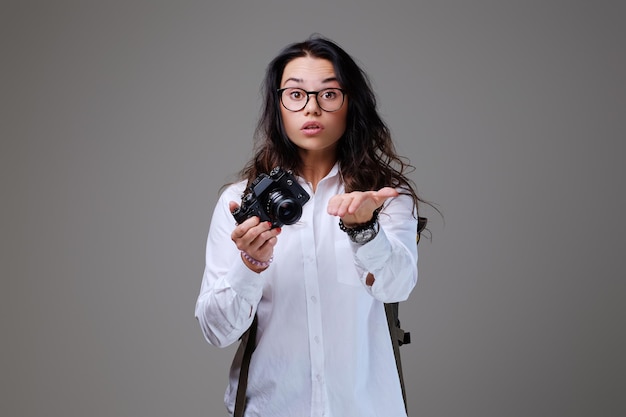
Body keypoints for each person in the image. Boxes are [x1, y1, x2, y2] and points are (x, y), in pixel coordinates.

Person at [195, 35, 426, 417]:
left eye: (329, 95)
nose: (312, 109)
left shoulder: (382, 197)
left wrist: (364, 230)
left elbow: (397, 286)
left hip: (366, 408)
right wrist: (249, 265)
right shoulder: (240, 203)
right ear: (279, 105)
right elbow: (216, 332)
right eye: (297, 95)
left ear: (351, 103)